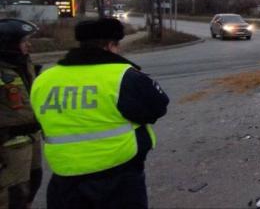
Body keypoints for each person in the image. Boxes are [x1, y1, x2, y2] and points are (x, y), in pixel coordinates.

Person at [30, 18, 169, 208]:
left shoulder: (44, 79)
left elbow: (39, 119)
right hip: (117, 179)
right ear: (111, 45)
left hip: (64, 179)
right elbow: (157, 107)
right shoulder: (123, 76)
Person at [0, 19, 42, 209]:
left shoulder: (26, 65)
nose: (29, 44)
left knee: (33, 182)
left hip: (32, 137)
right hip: (10, 142)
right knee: (13, 192)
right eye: (24, 41)